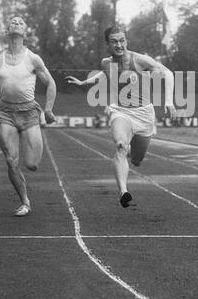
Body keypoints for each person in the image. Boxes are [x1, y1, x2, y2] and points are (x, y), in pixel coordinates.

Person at [66, 24, 174, 208]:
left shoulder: (139, 60)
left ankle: (132, 153)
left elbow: (168, 73)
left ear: (126, 41)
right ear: (107, 45)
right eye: (114, 42)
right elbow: (104, 73)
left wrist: (169, 101)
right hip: (121, 111)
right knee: (121, 146)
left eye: (122, 40)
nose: (119, 45)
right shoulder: (105, 62)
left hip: (144, 115)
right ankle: (123, 192)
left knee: (137, 160)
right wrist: (84, 82)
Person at [0, 16, 57, 216]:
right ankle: (25, 201)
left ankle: (28, 175)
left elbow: (51, 83)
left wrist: (48, 109)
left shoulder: (33, 58)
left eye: (20, 22)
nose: (15, 23)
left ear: (25, 32)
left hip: (29, 113)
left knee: (32, 164)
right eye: (12, 21)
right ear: (8, 30)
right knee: (11, 160)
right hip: (5, 113)